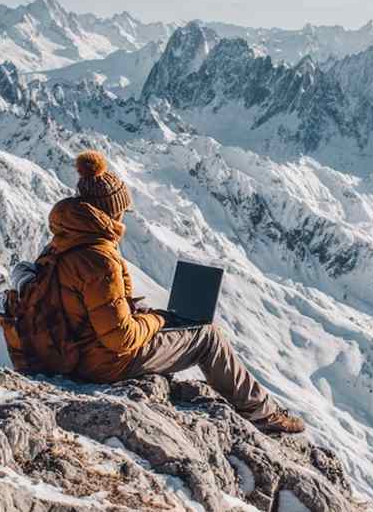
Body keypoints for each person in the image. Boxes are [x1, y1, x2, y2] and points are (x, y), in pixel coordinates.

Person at [34, 149, 304, 434]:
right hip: (101, 362)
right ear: (111, 211)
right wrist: (159, 321)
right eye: (122, 211)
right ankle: (263, 414)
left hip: (71, 352)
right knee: (208, 338)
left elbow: (89, 308)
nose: (124, 218)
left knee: (168, 321)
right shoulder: (99, 258)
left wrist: (142, 315)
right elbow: (120, 339)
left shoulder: (61, 242)